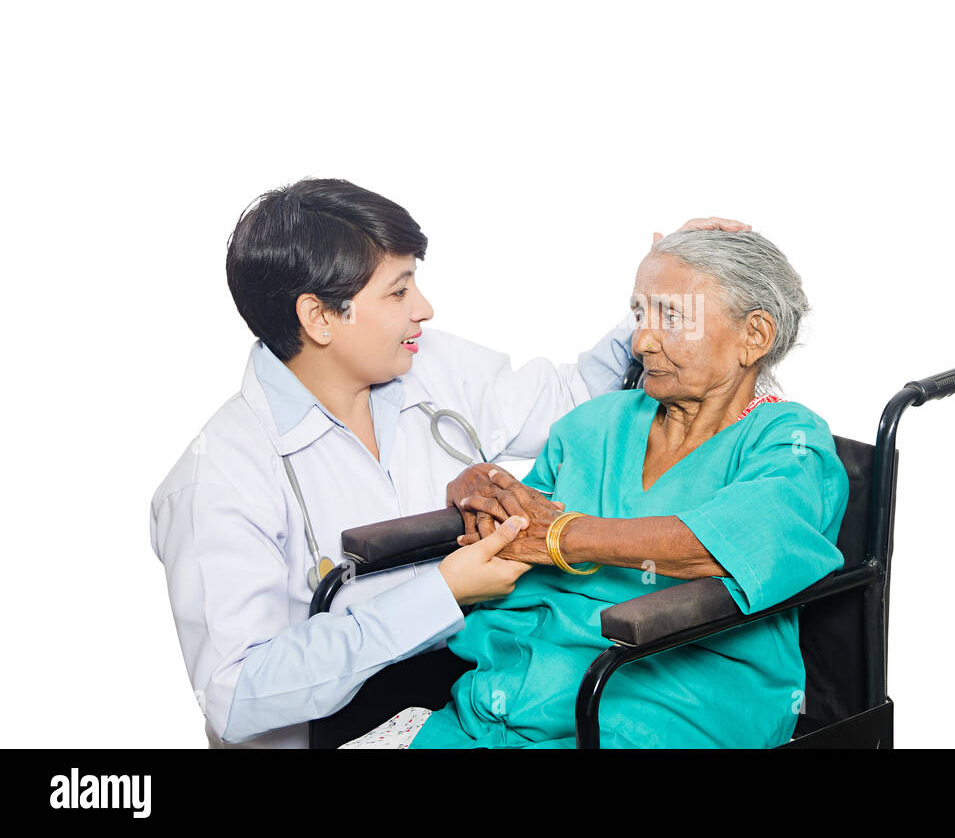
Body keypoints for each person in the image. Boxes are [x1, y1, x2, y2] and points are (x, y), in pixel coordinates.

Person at [149, 177, 747, 747]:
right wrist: (441, 593)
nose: (425, 309)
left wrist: (660, 300)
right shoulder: (216, 480)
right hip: (331, 733)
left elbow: (573, 399)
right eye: (399, 290)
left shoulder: (423, 362)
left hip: (463, 695)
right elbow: (235, 695)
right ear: (319, 317)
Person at [355, 227, 849, 748]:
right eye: (640, 315)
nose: (642, 342)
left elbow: (732, 546)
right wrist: (481, 489)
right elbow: (518, 526)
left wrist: (562, 537)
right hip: (508, 691)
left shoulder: (789, 442)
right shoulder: (596, 423)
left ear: (755, 336)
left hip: (667, 703)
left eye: (671, 317)